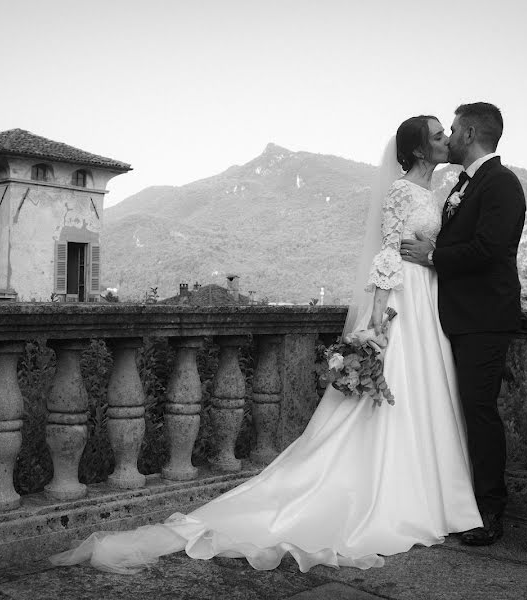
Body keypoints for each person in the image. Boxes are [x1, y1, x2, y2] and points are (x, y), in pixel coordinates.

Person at [49, 115, 482, 574]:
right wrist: (375, 322)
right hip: (402, 299)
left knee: (422, 393)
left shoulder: (437, 192)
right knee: (394, 393)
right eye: (437, 136)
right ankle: (392, 496)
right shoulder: (399, 191)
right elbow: (386, 253)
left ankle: (426, 491)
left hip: (426, 296)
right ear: (417, 150)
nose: (445, 141)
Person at [400, 102, 526, 546]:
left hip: (483, 320)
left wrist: (431, 256)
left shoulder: (501, 184)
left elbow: (489, 249)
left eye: (452, 130)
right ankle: (455, 502)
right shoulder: (463, 184)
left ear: (469, 132)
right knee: (457, 410)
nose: (449, 137)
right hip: (453, 317)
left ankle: (491, 512)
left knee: (479, 411)